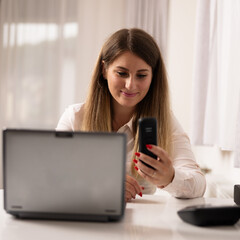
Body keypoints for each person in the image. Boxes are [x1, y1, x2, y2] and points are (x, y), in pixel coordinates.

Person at [56, 28, 206, 202]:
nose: (130, 85)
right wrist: (102, 184)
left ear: (153, 77)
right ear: (104, 70)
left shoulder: (164, 122)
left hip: (139, 226)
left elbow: (199, 184)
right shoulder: (75, 118)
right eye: (122, 73)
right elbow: (52, 176)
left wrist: (170, 178)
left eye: (141, 75)